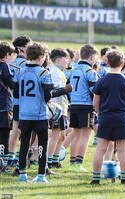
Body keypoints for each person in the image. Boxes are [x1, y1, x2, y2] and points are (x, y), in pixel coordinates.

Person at [13, 42, 72, 182]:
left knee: (24, 144)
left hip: (24, 114)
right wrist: (65, 90)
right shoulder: (44, 73)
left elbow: (15, 94)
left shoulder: (20, 70)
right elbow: (48, 95)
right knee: (42, 145)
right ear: (41, 57)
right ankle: (40, 175)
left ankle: (23, 175)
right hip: (39, 114)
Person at [91, 49, 125, 185]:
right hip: (122, 119)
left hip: (105, 118)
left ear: (107, 61)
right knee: (123, 150)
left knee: (100, 149)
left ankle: (95, 178)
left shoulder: (101, 81)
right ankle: (124, 179)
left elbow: (95, 103)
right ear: (122, 62)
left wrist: (101, 114)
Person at [68, 44, 99, 172]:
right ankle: (78, 163)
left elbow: (68, 88)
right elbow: (95, 91)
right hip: (86, 106)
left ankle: (72, 161)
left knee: (76, 135)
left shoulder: (74, 69)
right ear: (92, 57)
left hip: (74, 105)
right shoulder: (90, 72)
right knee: (86, 136)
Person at [9, 35, 32, 170]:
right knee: (17, 130)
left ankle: (11, 157)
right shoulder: (24, 64)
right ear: (22, 48)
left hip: (13, 100)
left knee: (15, 130)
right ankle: (14, 157)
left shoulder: (12, 62)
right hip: (20, 101)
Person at [47, 48, 70, 169]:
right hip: (56, 109)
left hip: (63, 107)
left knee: (62, 136)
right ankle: (49, 162)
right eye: (66, 58)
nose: (68, 61)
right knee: (55, 136)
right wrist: (66, 89)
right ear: (59, 59)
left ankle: (55, 160)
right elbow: (52, 91)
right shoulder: (55, 72)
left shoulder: (60, 71)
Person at [0, 42, 15, 172]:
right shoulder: (4, 66)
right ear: (6, 55)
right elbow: (11, 84)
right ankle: (2, 164)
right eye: (12, 54)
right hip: (4, 105)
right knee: (4, 135)